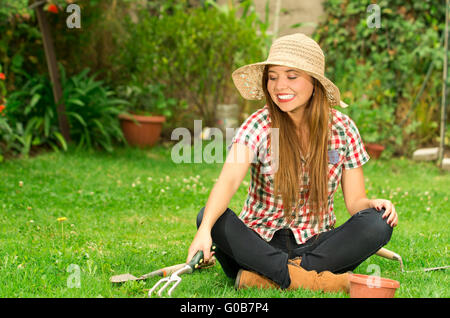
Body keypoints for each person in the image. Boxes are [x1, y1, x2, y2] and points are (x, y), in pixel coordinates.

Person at [186, 33, 398, 294]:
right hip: (259, 243)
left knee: (378, 222)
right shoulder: (259, 124)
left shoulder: (342, 129)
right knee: (210, 217)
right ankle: (311, 280)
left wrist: (372, 205)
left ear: (314, 82)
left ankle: (269, 277)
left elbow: (355, 202)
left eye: (291, 76)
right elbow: (228, 180)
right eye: (272, 77)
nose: (279, 86)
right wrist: (205, 230)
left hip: (316, 244)